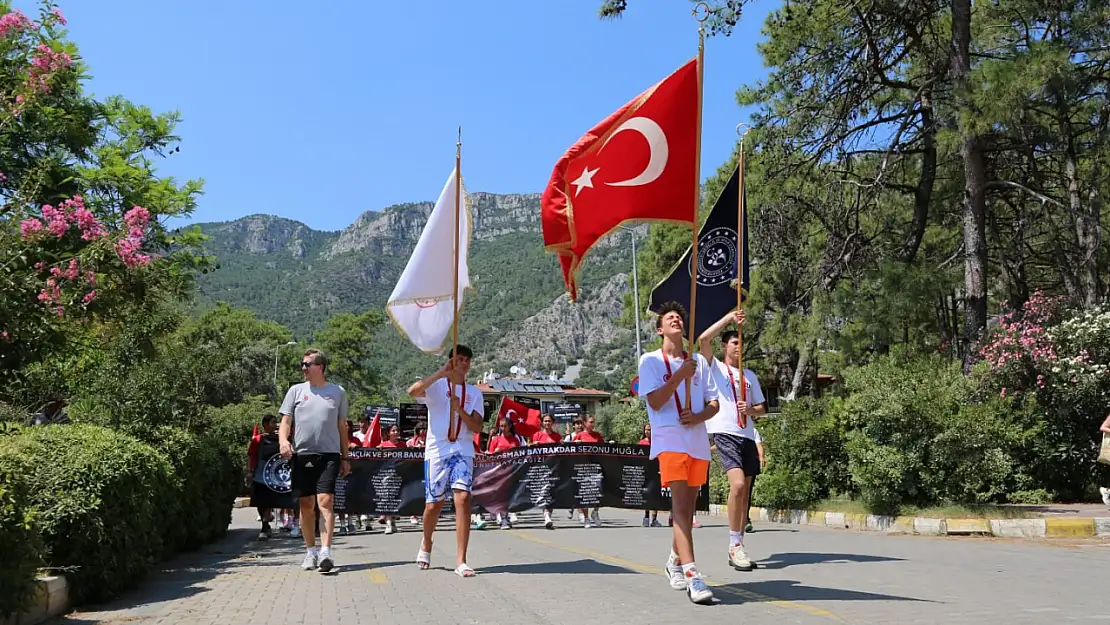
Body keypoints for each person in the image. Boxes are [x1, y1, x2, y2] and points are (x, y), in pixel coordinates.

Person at [639, 301, 719, 605]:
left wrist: (699, 417)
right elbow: (656, 402)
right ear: (660, 329)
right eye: (669, 318)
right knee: (679, 509)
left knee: (687, 511)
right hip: (670, 440)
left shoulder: (698, 360)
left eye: (679, 318)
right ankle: (692, 575)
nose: (676, 319)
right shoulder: (650, 362)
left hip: (697, 442)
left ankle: (674, 559)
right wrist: (679, 376)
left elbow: (714, 403)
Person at [698, 309, 767, 573]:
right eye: (734, 342)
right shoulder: (715, 367)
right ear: (725, 346)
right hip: (725, 431)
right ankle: (733, 543)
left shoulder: (749, 376)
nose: (739, 346)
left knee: (745, 491)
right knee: (737, 485)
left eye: (742, 343)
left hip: (747, 434)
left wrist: (750, 410)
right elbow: (703, 340)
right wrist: (729, 318)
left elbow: (762, 407)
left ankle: (739, 544)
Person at [408, 345, 484, 578]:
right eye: (459, 359)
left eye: (466, 360)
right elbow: (412, 391)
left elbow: (477, 426)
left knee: (463, 497)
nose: (463, 363)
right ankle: (427, 541)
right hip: (437, 451)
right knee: (434, 505)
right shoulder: (438, 387)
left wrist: (459, 409)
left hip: (462, 448)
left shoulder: (474, 393)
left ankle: (461, 560)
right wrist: (441, 373)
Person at [279, 348, 350, 574]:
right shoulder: (295, 391)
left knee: (326, 500)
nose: (303, 368)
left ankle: (326, 551)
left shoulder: (337, 392)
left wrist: (345, 456)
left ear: (320, 367)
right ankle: (310, 551)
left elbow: (342, 427)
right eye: (302, 364)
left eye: (307, 364)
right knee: (306, 505)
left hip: (329, 455)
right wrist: (283, 441)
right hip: (302, 455)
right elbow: (286, 421)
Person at [487, 415, 526, 529]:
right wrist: (496, 452)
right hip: (499, 470)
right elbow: (489, 456)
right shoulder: (496, 440)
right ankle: (502, 517)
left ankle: (505, 516)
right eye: (501, 426)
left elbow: (519, 454)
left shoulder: (515, 440)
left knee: (509, 495)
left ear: (510, 426)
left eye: (504, 426)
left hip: (511, 470)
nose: (502, 428)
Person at [248, 414, 280, 540]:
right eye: (273, 422)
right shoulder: (257, 440)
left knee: (269, 499)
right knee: (260, 500)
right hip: (260, 473)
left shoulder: (279, 439)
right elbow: (251, 455)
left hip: (274, 475)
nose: (275, 425)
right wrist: (250, 471)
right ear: (265, 424)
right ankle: (264, 522)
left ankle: (266, 525)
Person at [573, 415, 605, 527]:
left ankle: (595, 512)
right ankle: (586, 518)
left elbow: (604, 449)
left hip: (595, 467)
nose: (592, 424)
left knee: (599, 490)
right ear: (585, 423)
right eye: (590, 422)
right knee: (585, 492)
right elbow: (571, 452)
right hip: (583, 468)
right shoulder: (579, 436)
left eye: (593, 422)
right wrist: (576, 444)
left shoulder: (597, 436)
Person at [377, 424, 408, 534]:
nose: (396, 432)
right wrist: (378, 450)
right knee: (388, 498)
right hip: (387, 477)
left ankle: (393, 521)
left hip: (400, 476)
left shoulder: (403, 445)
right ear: (389, 433)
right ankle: (389, 523)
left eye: (397, 430)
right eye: (393, 430)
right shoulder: (384, 445)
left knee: (397, 499)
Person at [532, 414, 561, 529]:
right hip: (542, 468)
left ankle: (549, 515)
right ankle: (546, 515)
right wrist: (534, 445)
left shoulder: (557, 436)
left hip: (554, 468)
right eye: (545, 421)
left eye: (549, 421)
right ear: (542, 423)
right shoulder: (537, 435)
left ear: (552, 423)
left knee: (552, 492)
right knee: (544, 491)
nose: (547, 423)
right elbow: (529, 449)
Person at [638, 423, 662, 528]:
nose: (648, 432)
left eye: (650, 430)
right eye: (647, 430)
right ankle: (646, 517)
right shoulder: (641, 443)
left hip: (656, 472)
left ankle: (654, 518)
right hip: (645, 472)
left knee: (655, 494)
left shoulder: (658, 443)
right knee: (646, 494)